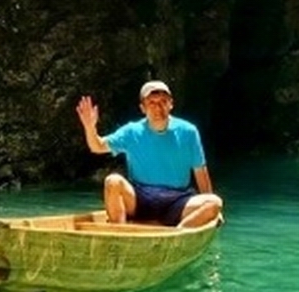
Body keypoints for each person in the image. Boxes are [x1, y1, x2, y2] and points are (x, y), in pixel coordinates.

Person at [76, 80, 224, 228]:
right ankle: (120, 233)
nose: (158, 108)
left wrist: (213, 209)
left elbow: (200, 171)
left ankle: (176, 235)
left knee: (214, 203)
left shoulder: (189, 132)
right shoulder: (131, 132)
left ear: (171, 104)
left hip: (177, 200)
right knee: (112, 181)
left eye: (163, 102)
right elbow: (97, 146)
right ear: (143, 108)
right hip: (140, 199)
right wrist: (89, 127)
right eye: (151, 103)